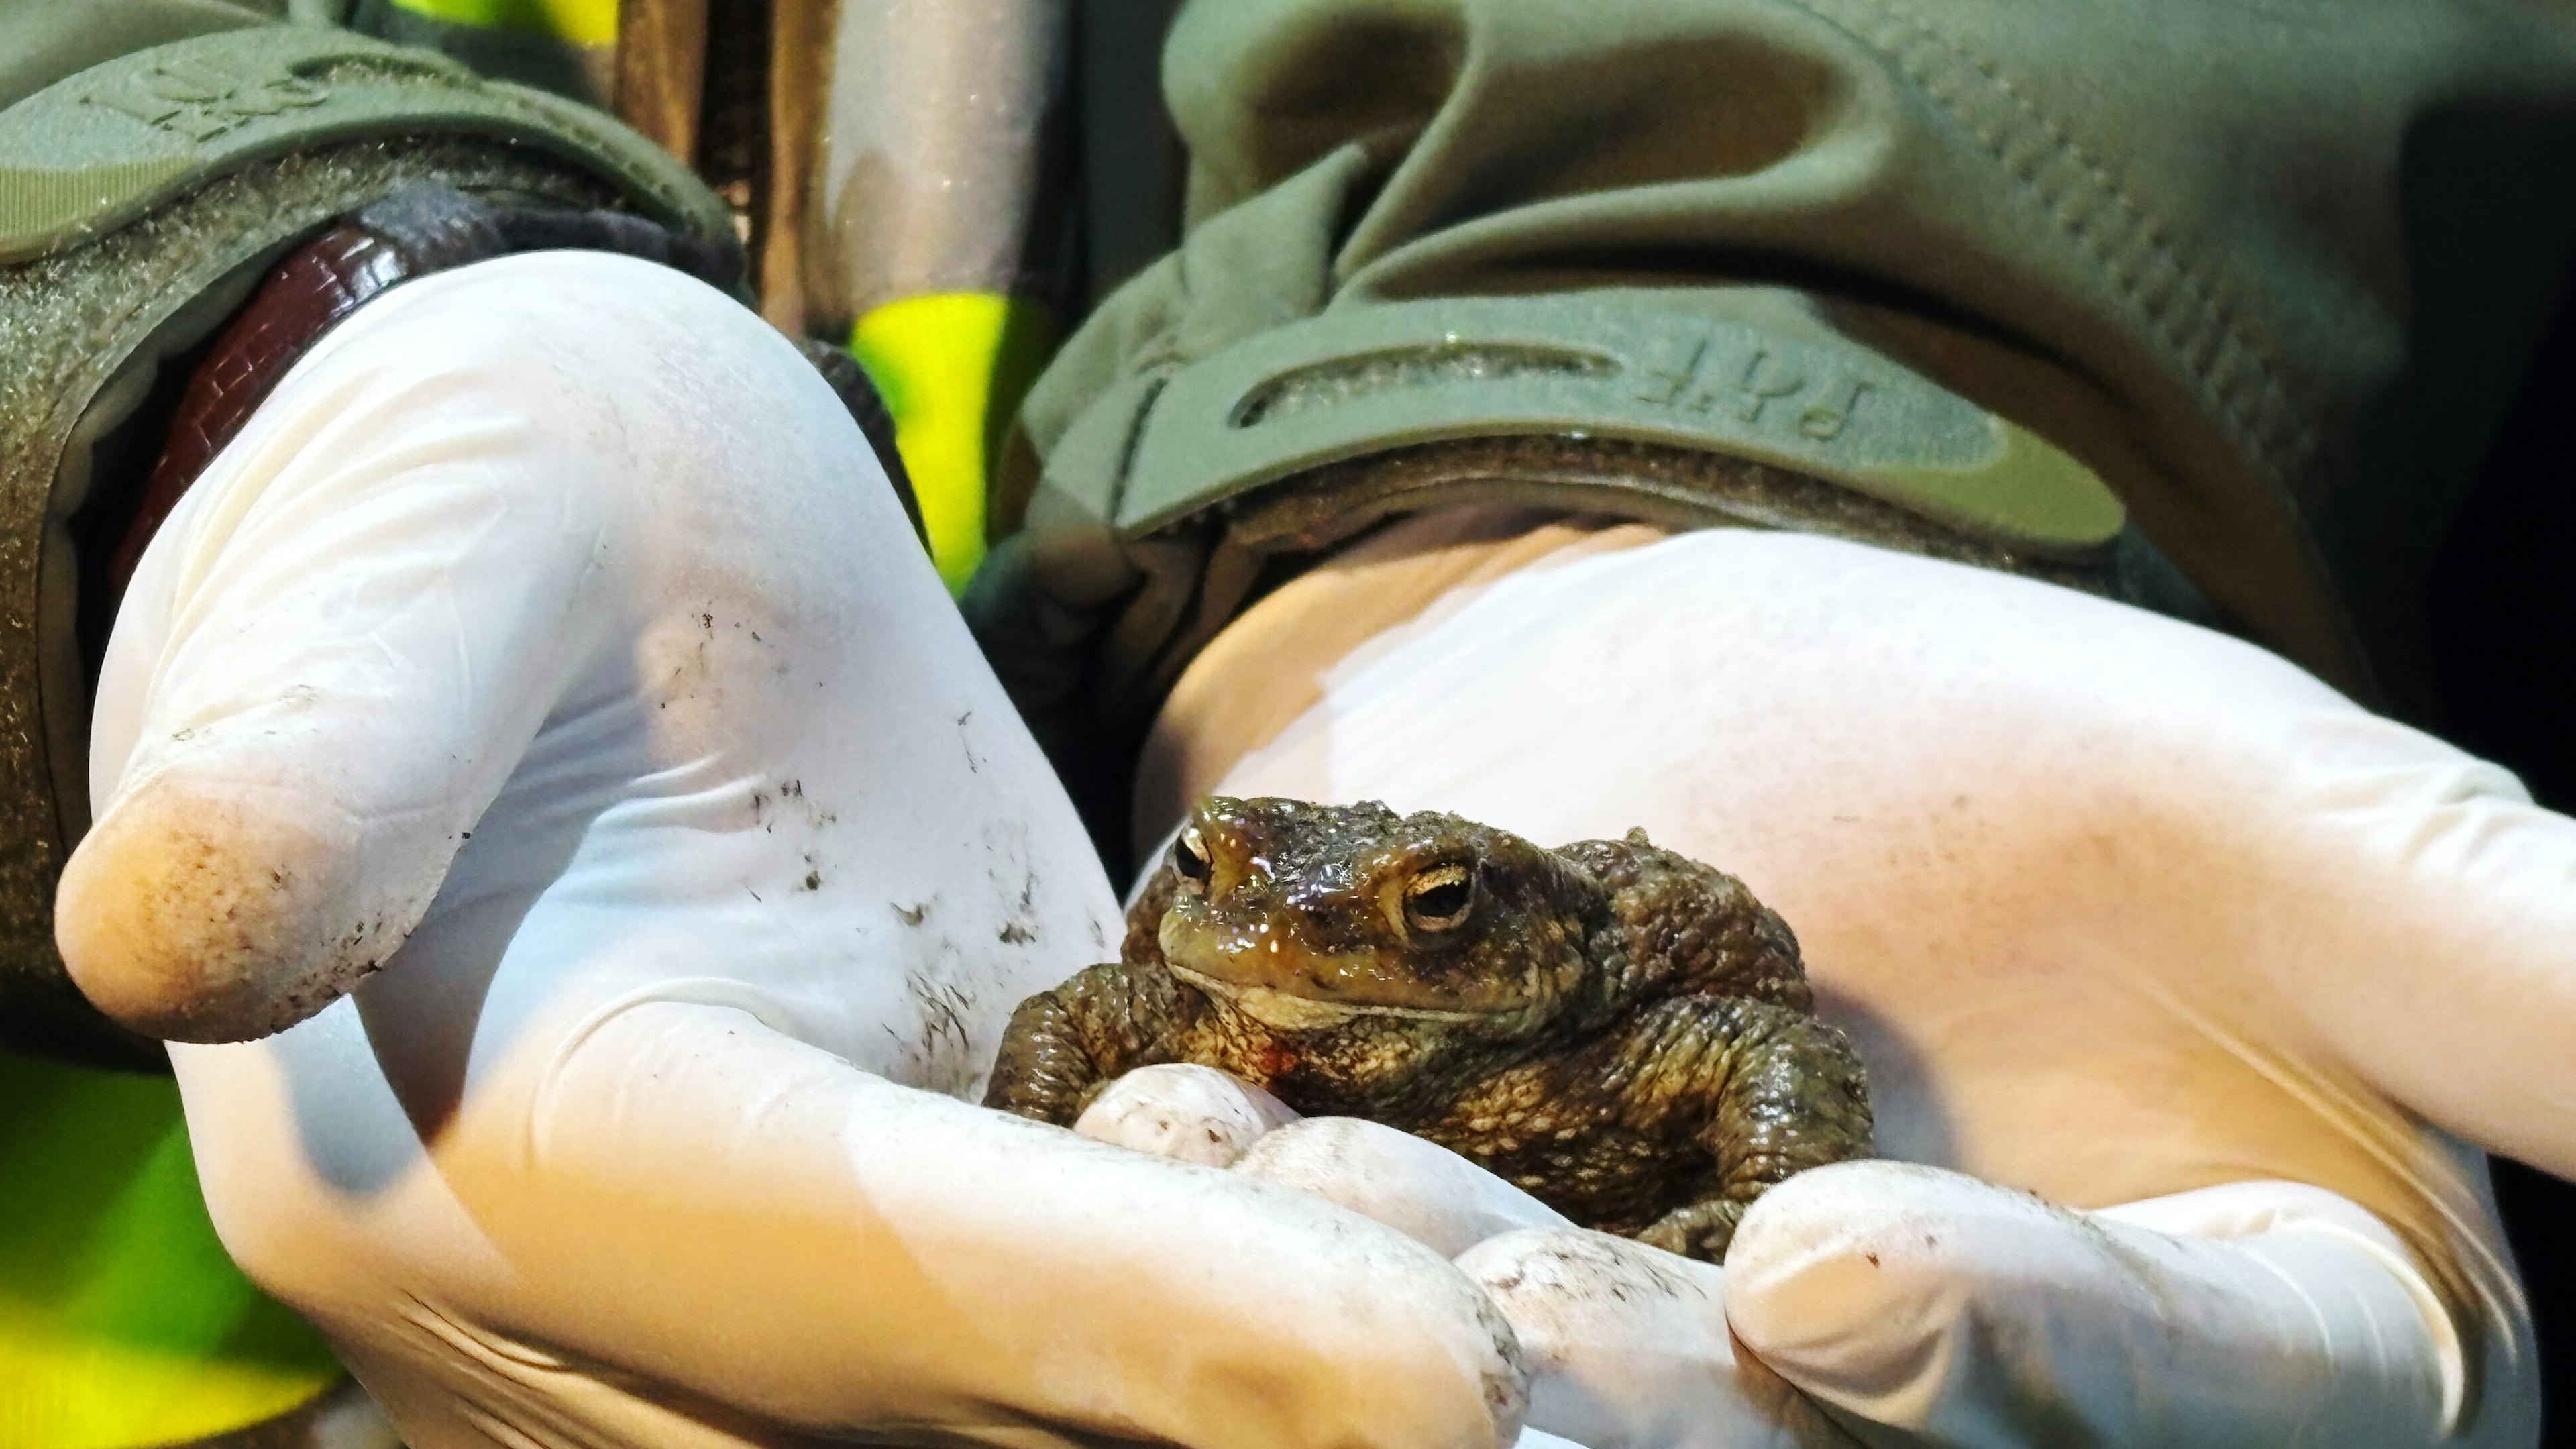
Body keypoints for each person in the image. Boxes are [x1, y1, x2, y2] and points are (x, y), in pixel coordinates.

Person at [15, 5, 2576, 1449]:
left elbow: (1756, 1047)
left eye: (1414, 912)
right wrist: (218, 381)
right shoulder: (1221, 966)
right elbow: (1107, 1004)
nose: (1292, 941)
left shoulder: (1602, 993)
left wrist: (1616, 438)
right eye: (1247, 903)